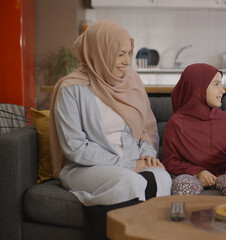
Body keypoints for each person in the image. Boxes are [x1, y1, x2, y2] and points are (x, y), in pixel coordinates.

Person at [49, 19, 172, 239]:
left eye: (129, 53)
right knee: (129, 181)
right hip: (85, 167)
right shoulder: (71, 88)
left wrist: (147, 154)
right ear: (100, 52)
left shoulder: (132, 81)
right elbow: (75, 147)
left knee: (162, 178)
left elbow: (145, 128)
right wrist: (126, 164)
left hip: (133, 160)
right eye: (120, 54)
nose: (127, 62)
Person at [162, 63, 226, 197]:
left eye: (221, 84)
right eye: (216, 84)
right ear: (198, 88)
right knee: (183, 184)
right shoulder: (177, 122)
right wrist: (198, 172)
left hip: (221, 174)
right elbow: (170, 162)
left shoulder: (225, 120)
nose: (223, 90)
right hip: (190, 175)